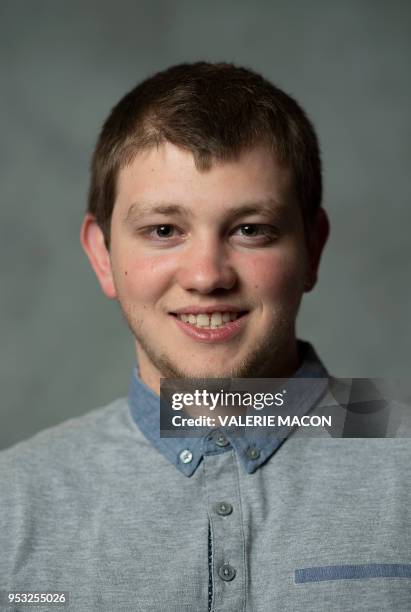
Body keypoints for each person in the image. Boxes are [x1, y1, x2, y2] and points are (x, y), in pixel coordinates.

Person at [0, 62, 410, 612]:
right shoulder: (14, 500)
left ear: (313, 248)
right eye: (163, 231)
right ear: (102, 254)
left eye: (250, 230)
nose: (207, 276)